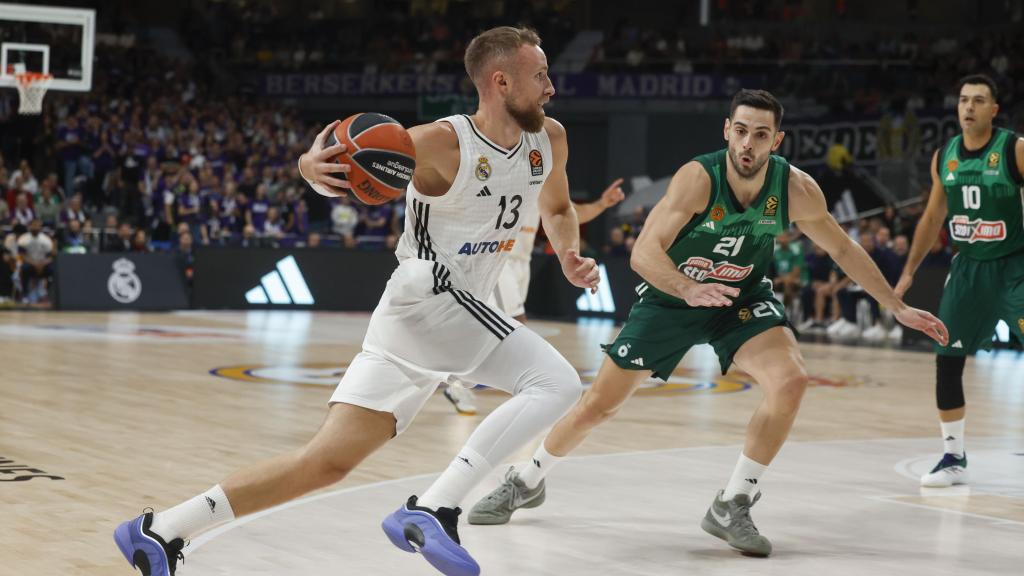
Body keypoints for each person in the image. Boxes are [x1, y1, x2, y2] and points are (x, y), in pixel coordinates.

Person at [113, 26, 597, 576]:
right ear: (501, 80)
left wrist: (568, 254)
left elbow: (557, 209)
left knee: (324, 463)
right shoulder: (443, 142)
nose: (551, 86)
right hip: (430, 295)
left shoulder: (549, 139)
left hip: (427, 317)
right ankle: (436, 509)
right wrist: (306, 168)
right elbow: (351, 157)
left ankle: (160, 531)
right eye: (540, 76)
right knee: (556, 383)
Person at [468, 89, 948, 557]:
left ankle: (733, 501)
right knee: (599, 406)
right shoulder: (699, 177)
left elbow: (841, 248)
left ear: (776, 141)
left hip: (740, 300)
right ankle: (526, 480)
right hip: (672, 298)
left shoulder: (796, 188)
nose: (748, 143)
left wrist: (895, 306)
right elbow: (643, 252)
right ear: (727, 130)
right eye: (741, 131)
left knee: (792, 379)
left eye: (761, 135)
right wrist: (687, 288)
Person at [895, 74, 1024, 488]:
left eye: (979, 100)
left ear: (994, 109)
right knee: (947, 359)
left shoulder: (1014, 149)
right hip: (968, 268)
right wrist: (909, 271)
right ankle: (953, 457)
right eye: (964, 100)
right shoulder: (945, 155)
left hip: (1015, 266)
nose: (969, 107)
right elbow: (933, 217)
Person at [444, 178, 626, 414]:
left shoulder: (538, 175)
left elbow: (569, 212)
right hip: (497, 258)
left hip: (522, 260)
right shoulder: (495, 169)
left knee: (493, 335)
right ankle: (534, 393)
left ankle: (455, 380)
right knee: (518, 326)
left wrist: (602, 204)